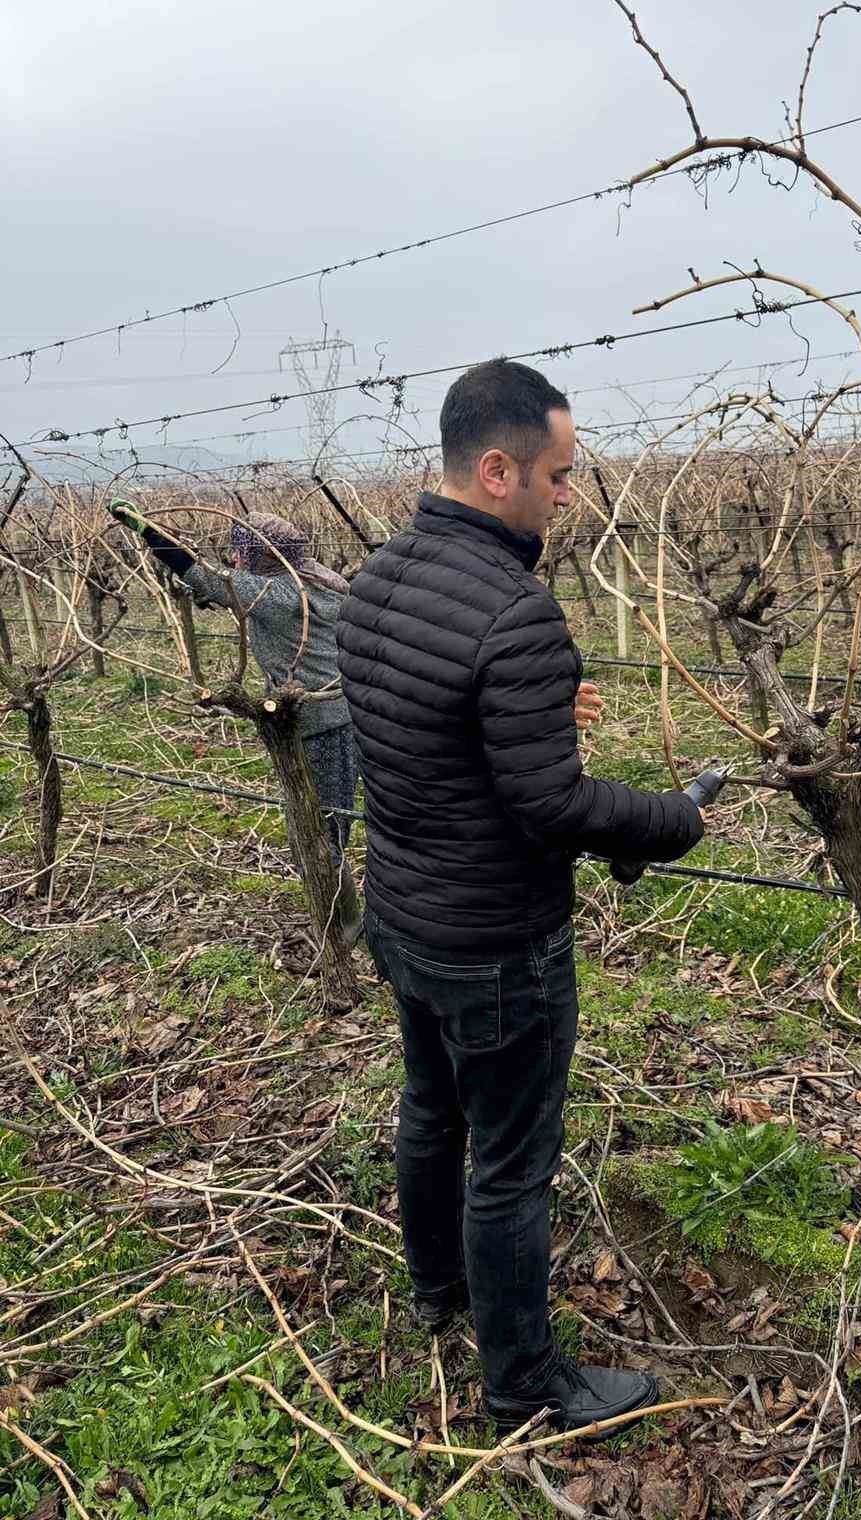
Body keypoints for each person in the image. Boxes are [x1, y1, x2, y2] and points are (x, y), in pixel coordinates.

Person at [336, 360, 706, 1437]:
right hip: (498, 942)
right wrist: (671, 819)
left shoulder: (378, 580)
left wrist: (537, 703)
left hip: (403, 916)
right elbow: (552, 805)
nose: (567, 496)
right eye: (557, 474)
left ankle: (439, 1290)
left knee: (428, 1108)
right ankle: (525, 1383)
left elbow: (423, 732)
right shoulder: (516, 611)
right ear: (497, 469)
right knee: (510, 1164)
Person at [109, 503, 359, 931]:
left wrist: (148, 531)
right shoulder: (317, 577)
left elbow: (205, 575)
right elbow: (229, 588)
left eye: (242, 551)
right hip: (340, 715)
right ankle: (340, 912)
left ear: (264, 555)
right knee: (324, 823)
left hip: (319, 723)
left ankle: (344, 921)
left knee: (315, 832)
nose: (236, 559)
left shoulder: (275, 594)